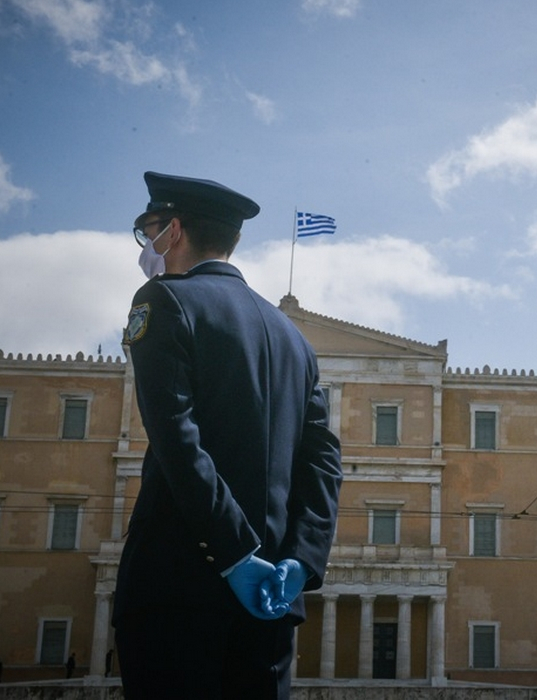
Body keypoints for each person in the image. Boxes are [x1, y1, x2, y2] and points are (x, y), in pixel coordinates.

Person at [114, 172, 343, 699]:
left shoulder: (164, 301)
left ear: (172, 230)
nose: (146, 246)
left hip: (178, 587)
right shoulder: (294, 339)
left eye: (146, 232)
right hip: (271, 604)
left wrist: (235, 555)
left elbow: (176, 436)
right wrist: (301, 562)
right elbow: (323, 462)